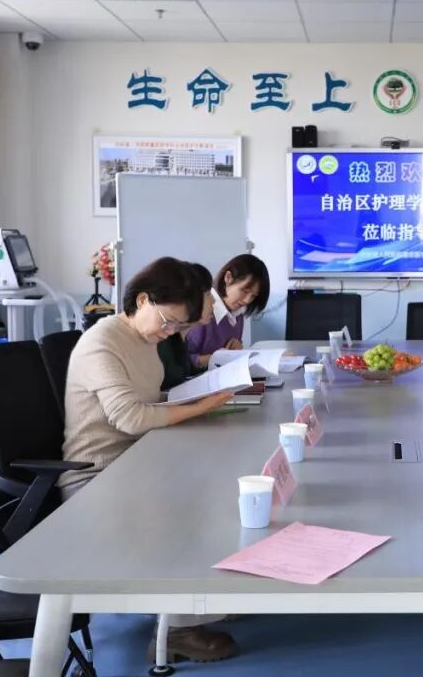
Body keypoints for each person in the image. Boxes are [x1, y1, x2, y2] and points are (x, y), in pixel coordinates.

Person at [59, 256, 239, 663]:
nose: (169, 333)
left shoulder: (145, 341)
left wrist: (198, 399)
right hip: (96, 477)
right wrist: (202, 406)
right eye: (168, 322)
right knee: (194, 505)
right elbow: (131, 417)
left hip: (138, 458)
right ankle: (177, 630)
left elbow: (149, 400)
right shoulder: (102, 342)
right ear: (142, 300)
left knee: (220, 480)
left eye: (177, 327)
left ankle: (202, 601)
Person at [187, 254, 270, 366]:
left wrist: (237, 350)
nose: (247, 300)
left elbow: (230, 354)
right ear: (228, 277)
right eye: (245, 291)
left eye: (253, 296)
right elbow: (181, 363)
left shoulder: (238, 315)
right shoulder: (203, 311)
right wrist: (216, 358)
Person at [158, 263, 214, 391]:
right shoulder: (161, 340)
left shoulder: (179, 338)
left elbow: (189, 374)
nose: (214, 301)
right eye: (207, 294)